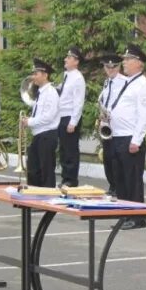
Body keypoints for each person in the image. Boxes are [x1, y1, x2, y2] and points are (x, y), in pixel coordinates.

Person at [111, 44, 146, 230]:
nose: (124, 62)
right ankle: (124, 214)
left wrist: (136, 140)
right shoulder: (129, 82)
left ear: (138, 63)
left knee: (132, 180)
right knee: (120, 180)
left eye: (128, 60)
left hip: (130, 139)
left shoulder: (143, 85)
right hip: (118, 136)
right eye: (125, 59)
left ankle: (137, 218)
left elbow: (145, 116)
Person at [22, 58, 60, 187]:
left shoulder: (51, 92)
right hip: (39, 135)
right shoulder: (41, 93)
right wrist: (29, 120)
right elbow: (40, 113)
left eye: (36, 74)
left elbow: (49, 116)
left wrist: (30, 121)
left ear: (45, 75)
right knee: (33, 168)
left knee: (46, 170)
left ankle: (48, 202)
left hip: (47, 136)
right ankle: (34, 197)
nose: (33, 77)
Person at [58, 46, 86, 187]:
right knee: (63, 149)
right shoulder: (66, 76)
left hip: (70, 117)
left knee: (70, 150)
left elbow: (78, 102)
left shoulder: (78, 78)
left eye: (69, 58)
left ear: (76, 61)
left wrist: (73, 122)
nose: (65, 59)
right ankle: (65, 177)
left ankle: (71, 179)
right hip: (62, 116)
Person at [97, 54, 122, 196]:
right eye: (107, 67)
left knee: (114, 158)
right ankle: (112, 185)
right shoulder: (107, 83)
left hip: (116, 125)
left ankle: (118, 187)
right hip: (106, 124)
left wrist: (110, 113)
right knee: (107, 157)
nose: (110, 69)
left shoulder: (123, 83)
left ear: (118, 67)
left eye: (113, 67)